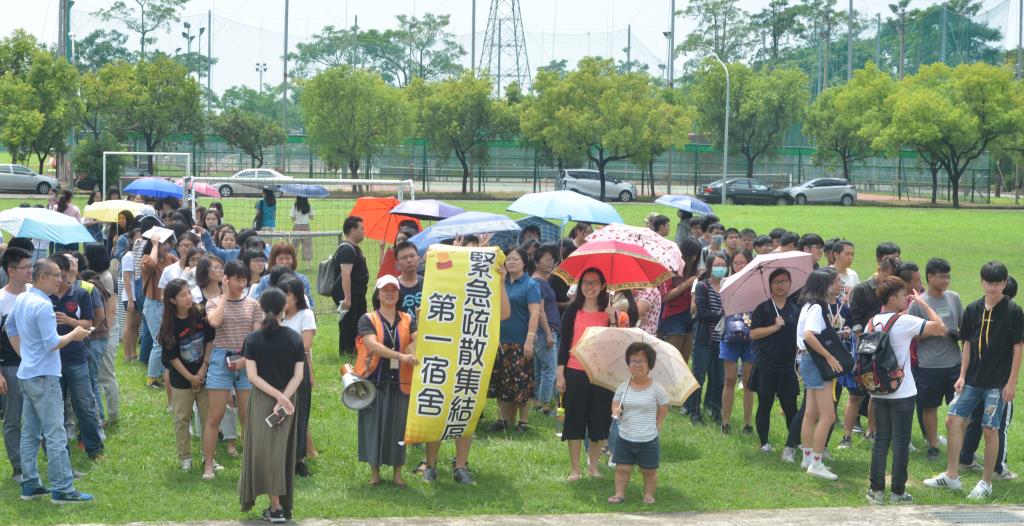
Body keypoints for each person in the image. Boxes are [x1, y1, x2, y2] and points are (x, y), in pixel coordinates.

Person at [925, 261, 1024, 500]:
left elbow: (1018, 347)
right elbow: (967, 343)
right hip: (971, 380)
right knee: (952, 420)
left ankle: (986, 482)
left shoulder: (1013, 311)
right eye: (989, 283)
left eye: (998, 283)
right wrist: (961, 375)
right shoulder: (973, 308)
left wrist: (1011, 382)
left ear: (1005, 284)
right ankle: (951, 475)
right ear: (982, 282)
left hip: (997, 383)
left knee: (990, 429)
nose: (993, 288)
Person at [6, 259, 94, 503]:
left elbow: (9, 327)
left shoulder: (23, 297)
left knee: (30, 433)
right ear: (42, 276)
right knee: (55, 433)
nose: (62, 280)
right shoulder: (43, 305)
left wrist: (24, 354)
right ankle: (63, 489)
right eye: (56, 275)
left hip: (28, 374)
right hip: (44, 376)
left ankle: (31, 484)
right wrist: (75, 335)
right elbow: (52, 343)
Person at [865, 276, 947, 505]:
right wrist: (923, 303)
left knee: (881, 441)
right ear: (892, 298)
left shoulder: (872, 322)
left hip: (878, 390)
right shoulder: (904, 321)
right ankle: (897, 492)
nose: (907, 299)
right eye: (903, 296)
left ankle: (876, 491)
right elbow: (940, 327)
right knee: (900, 443)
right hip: (903, 392)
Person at [556, 268, 630, 481]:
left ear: (603, 286)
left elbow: (618, 344)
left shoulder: (610, 314)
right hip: (575, 370)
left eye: (594, 282)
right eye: (586, 282)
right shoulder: (572, 310)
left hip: (602, 375)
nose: (590, 287)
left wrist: (613, 320)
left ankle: (593, 467)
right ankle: (575, 469)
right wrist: (561, 373)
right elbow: (564, 343)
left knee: (599, 421)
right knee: (574, 420)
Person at [239, 288, 305, 522]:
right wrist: (284, 398)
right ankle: (281, 506)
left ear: (261, 308)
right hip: (288, 401)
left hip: (263, 400)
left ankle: (276, 509)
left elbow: (253, 377)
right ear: (284, 308)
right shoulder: (294, 338)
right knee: (281, 453)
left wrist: (277, 398)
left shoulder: (253, 338)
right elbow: (298, 376)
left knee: (266, 453)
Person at [354, 275, 418, 487]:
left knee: (398, 427)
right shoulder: (367, 319)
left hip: (401, 383)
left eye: (394, 290)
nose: (390, 293)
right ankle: (375, 472)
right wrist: (400, 356)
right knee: (373, 426)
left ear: (399, 294)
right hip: (374, 381)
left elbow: (420, 338)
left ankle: (398, 472)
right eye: (385, 290)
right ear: (378, 294)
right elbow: (372, 345)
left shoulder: (408, 319)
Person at [203, 259, 262, 480]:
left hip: (247, 360)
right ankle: (208, 465)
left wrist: (245, 360)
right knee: (214, 416)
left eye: (244, 279)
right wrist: (225, 297)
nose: (241, 283)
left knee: (248, 416)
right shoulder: (213, 302)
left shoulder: (254, 305)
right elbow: (215, 323)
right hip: (221, 360)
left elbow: (256, 337)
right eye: (237, 279)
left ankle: (251, 464)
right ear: (226, 279)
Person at [959, 276, 1019, 480]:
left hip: (976, 377)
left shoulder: (987, 311)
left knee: (976, 420)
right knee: (998, 425)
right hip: (995, 381)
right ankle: (998, 468)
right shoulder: (1009, 313)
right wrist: (1011, 382)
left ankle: (965, 458)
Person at [49, 254, 104, 460]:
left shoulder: (80, 294)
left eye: (63, 276)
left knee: (85, 405)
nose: (60, 281)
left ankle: (94, 449)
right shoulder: (44, 297)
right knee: (58, 408)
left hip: (77, 358)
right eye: (56, 276)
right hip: (53, 360)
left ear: (69, 275)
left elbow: (89, 324)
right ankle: (61, 451)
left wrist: (70, 321)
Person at [909, 258, 963, 460]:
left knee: (958, 407)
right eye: (942, 276)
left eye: (948, 276)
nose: (946, 280)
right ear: (930, 277)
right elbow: (913, 335)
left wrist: (957, 333)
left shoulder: (954, 298)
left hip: (954, 363)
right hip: (929, 365)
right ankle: (932, 445)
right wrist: (932, 332)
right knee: (929, 406)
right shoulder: (919, 303)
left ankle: (958, 446)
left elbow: (963, 326)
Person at [159, 278, 214, 473]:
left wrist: (203, 368)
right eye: (183, 295)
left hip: (203, 373)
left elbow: (210, 340)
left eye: (189, 292)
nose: (188, 297)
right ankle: (185, 458)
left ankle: (209, 457)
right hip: (181, 380)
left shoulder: (199, 313)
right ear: (172, 300)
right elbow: (172, 358)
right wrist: (190, 378)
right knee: (182, 418)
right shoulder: (169, 324)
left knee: (209, 418)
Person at [607, 342, 669, 506]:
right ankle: (619, 494)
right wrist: (616, 411)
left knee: (649, 471)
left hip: (648, 438)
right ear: (628, 364)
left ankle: (649, 495)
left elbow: (663, 407)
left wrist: (659, 424)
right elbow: (615, 403)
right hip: (625, 436)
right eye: (633, 361)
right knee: (622, 469)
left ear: (650, 364)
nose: (637, 365)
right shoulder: (623, 387)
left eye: (642, 361)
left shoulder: (657, 389)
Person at [797, 268, 843, 480]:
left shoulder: (808, 306)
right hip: (815, 361)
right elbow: (809, 336)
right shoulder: (816, 308)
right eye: (836, 281)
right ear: (824, 285)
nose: (839, 283)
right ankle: (816, 462)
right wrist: (829, 357)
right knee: (828, 415)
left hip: (807, 360)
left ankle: (807, 457)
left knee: (811, 413)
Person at [491, 248, 541, 432]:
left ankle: (523, 421)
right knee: (502, 379)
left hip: (520, 340)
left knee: (522, 381)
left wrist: (529, 339)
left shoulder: (530, 285)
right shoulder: (501, 282)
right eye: (509, 259)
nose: (511, 262)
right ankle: (502, 419)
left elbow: (535, 312)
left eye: (515, 259)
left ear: (524, 262)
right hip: (500, 339)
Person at [749, 268, 799, 454]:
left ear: (789, 284)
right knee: (765, 404)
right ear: (770, 285)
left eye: (784, 281)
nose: (780, 285)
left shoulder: (795, 309)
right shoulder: (763, 308)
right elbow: (754, 334)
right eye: (777, 282)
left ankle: (794, 442)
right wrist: (774, 327)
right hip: (766, 364)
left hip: (787, 365)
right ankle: (764, 442)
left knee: (790, 405)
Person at [278, 277, 317, 478]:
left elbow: (305, 345)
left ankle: (299, 460)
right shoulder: (276, 316)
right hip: (276, 371)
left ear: (297, 296)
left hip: (297, 370)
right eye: (281, 294)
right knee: (279, 412)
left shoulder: (305, 314)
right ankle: (281, 457)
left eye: (288, 294)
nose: (283, 298)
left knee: (299, 412)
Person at [0, 247, 31, 483]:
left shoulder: (35, 293)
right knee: (13, 418)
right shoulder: (1, 300)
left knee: (43, 415)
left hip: (37, 365)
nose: (31, 270)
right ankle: (18, 467)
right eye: (26, 267)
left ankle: (54, 464)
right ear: (11, 270)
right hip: (10, 366)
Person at [685, 252, 726, 426]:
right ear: (709, 268)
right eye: (717, 265)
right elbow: (701, 314)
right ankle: (694, 412)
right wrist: (722, 315)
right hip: (704, 339)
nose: (721, 268)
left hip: (722, 340)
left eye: (723, 265)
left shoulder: (727, 286)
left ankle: (714, 409)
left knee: (718, 378)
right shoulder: (703, 286)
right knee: (699, 376)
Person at [719, 249, 755, 435]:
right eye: (736, 263)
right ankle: (725, 422)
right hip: (731, 334)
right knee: (730, 378)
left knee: (749, 381)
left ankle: (747, 423)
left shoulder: (757, 284)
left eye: (742, 263)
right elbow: (724, 306)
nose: (739, 266)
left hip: (751, 336)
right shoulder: (726, 281)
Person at [659, 238, 701, 379]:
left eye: (697, 255)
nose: (694, 259)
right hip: (673, 317)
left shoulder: (695, 272)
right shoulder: (671, 271)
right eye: (692, 255)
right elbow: (665, 297)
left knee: (684, 360)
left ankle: (678, 396)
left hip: (689, 317)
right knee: (671, 359)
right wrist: (686, 285)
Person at [141, 230, 178, 389]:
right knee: (159, 342)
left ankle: (164, 374)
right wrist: (155, 245)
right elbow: (150, 265)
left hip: (168, 305)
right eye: (163, 243)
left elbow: (183, 265)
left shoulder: (171, 259)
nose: (167, 246)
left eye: (168, 243)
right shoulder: (146, 259)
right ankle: (152, 378)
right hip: (154, 305)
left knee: (167, 341)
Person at [333, 216, 369, 356]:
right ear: (353, 230)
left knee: (357, 322)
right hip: (350, 294)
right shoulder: (347, 249)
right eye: (361, 228)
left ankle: (356, 350)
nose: (363, 232)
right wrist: (347, 298)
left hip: (358, 293)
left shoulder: (354, 248)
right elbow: (345, 274)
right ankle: (347, 353)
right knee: (348, 324)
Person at [531, 243, 560, 415]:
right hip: (545, 331)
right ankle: (543, 406)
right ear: (536, 262)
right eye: (547, 260)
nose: (551, 263)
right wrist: (549, 333)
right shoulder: (538, 282)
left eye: (552, 260)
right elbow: (539, 310)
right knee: (550, 369)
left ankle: (538, 404)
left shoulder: (542, 281)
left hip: (543, 331)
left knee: (540, 369)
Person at [249, 243, 315, 308]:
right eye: (280, 259)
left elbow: (309, 304)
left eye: (288, 258)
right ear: (274, 260)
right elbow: (258, 303)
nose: (284, 262)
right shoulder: (265, 280)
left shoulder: (301, 279)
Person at [120, 228, 142, 362]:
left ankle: (133, 353)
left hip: (137, 296)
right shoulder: (128, 256)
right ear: (131, 240)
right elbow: (127, 279)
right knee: (129, 326)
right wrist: (130, 299)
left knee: (136, 326)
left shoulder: (139, 255)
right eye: (137, 238)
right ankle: (127, 354)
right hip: (130, 296)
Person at [394, 241, 422, 322]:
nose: (409, 260)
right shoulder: (393, 287)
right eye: (404, 258)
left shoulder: (427, 283)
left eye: (412, 256)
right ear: (397, 264)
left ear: (418, 259)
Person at [290, 197, 314, 262]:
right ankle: (308, 266)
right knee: (307, 245)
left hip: (297, 226)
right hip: (306, 227)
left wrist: (297, 218)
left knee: (294, 246)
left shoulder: (295, 206)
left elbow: (292, 217)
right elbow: (312, 217)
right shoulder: (309, 205)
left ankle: (293, 263)